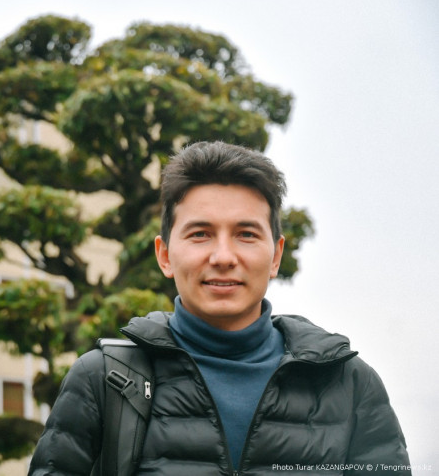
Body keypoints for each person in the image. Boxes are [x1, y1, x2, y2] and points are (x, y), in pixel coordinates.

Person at [28, 141, 411, 475]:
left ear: (276, 256)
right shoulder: (105, 380)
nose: (224, 257)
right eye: (200, 234)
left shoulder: (349, 385)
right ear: (165, 255)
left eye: (246, 234)